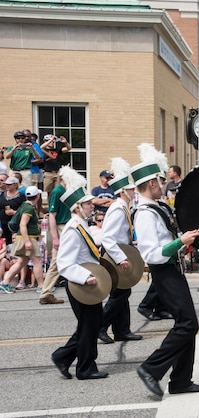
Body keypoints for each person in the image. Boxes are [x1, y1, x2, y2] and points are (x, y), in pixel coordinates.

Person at [131, 143, 199, 397]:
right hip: (164, 273)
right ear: (152, 183)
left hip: (172, 269)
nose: (163, 184)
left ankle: (181, 380)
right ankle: (151, 369)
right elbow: (151, 254)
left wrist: (181, 243)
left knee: (188, 324)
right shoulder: (144, 213)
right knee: (187, 324)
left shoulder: (156, 207)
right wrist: (179, 242)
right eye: (161, 180)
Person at [51, 168, 108, 380]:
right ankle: (85, 368)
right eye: (87, 204)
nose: (91, 206)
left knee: (91, 324)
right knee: (90, 325)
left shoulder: (82, 224)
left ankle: (63, 357)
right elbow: (65, 263)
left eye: (91, 203)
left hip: (87, 281)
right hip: (80, 283)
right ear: (77, 207)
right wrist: (85, 277)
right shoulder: (74, 228)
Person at [98, 158, 143, 345]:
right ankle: (100, 326)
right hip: (113, 254)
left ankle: (122, 330)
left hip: (119, 251)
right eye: (131, 189)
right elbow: (108, 237)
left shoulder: (123, 207)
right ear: (123, 191)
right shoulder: (118, 208)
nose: (134, 191)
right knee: (119, 294)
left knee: (124, 292)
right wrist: (120, 258)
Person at [0, 186, 44, 293]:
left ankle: (5, 282)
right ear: (37, 196)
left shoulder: (24, 206)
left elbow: (25, 223)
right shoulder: (29, 208)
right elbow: (23, 224)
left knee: (21, 261)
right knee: (37, 261)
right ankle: (42, 287)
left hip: (23, 237)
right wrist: (27, 241)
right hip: (28, 238)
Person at [39, 170, 72, 305]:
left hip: (68, 226)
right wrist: (55, 237)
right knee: (57, 260)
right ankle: (46, 292)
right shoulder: (57, 191)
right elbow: (52, 215)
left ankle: (47, 292)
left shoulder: (67, 191)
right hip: (61, 227)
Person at [0, 176, 26, 246]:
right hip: (3, 222)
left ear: (15, 185)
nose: (7, 186)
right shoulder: (2, 195)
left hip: (15, 223)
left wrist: (14, 212)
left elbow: (25, 210)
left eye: (10, 184)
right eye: (7, 184)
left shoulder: (21, 197)